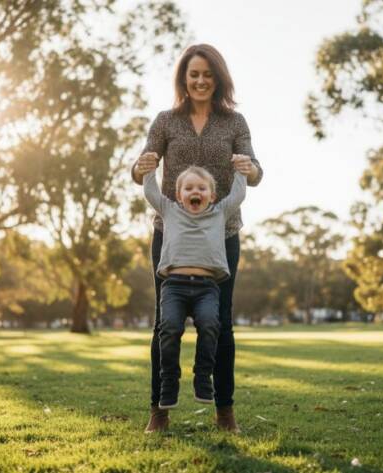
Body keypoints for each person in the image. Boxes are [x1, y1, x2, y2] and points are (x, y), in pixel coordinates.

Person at [131, 44, 263, 433]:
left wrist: (249, 168)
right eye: (194, 74)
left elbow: (255, 170)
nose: (201, 81)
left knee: (220, 322)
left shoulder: (234, 123)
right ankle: (159, 410)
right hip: (170, 236)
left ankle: (225, 411)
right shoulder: (166, 121)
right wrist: (138, 166)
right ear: (184, 79)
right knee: (164, 324)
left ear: (218, 78)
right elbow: (142, 167)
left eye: (208, 74)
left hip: (222, 236)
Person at [142, 164, 247, 411]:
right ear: (179, 195)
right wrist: (148, 169)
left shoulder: (220, 212)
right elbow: (151, 193)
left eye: (201, 188)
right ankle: (169, 381)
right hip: (174, 287)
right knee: (168, 328)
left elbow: (238, 195)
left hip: (207, 288)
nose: (194, 191)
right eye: (188, 188)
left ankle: (202, 376)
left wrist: (242, 171)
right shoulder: (169, 210)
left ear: (211, 195)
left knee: (211, 324)